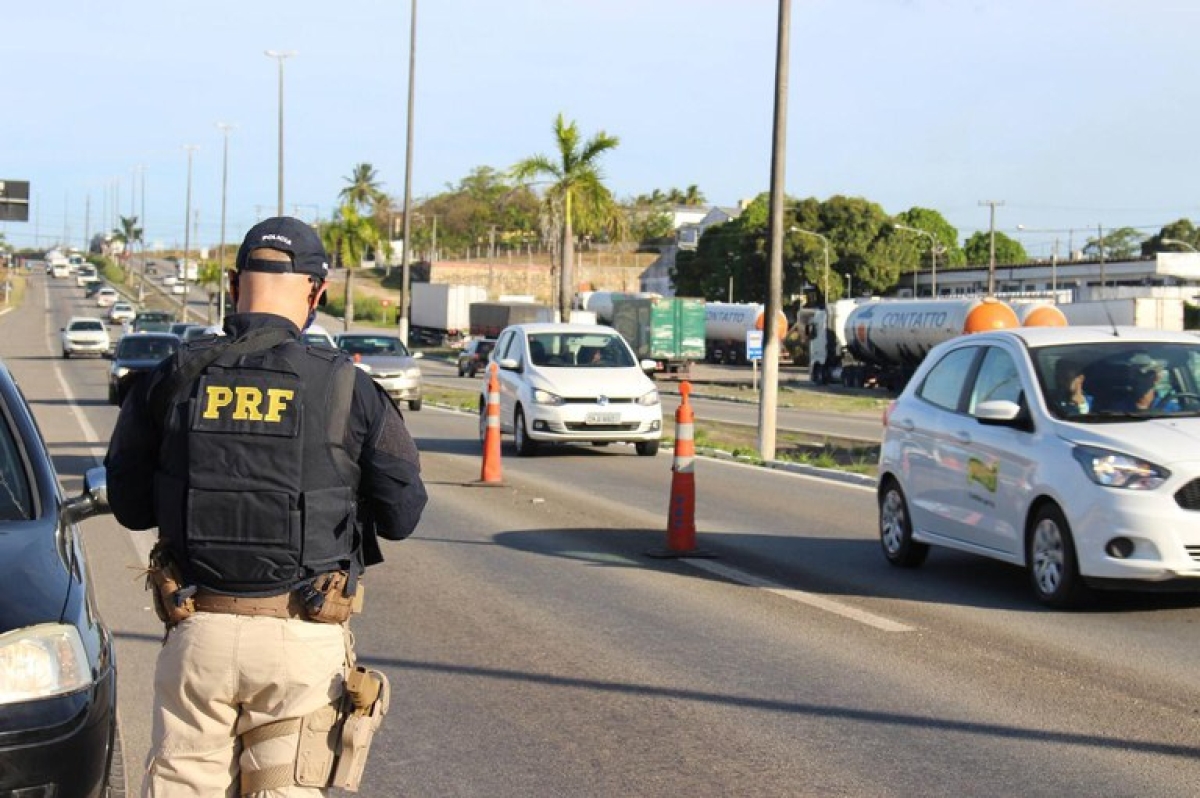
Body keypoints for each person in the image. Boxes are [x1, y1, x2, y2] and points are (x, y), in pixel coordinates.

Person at [105, 217, 427, 795]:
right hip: (302, 643)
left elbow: (128, 507)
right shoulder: (348, 388)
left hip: (197, 631)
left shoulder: (172, 377)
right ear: (317, 294)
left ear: (233, 285)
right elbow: (402, 514)